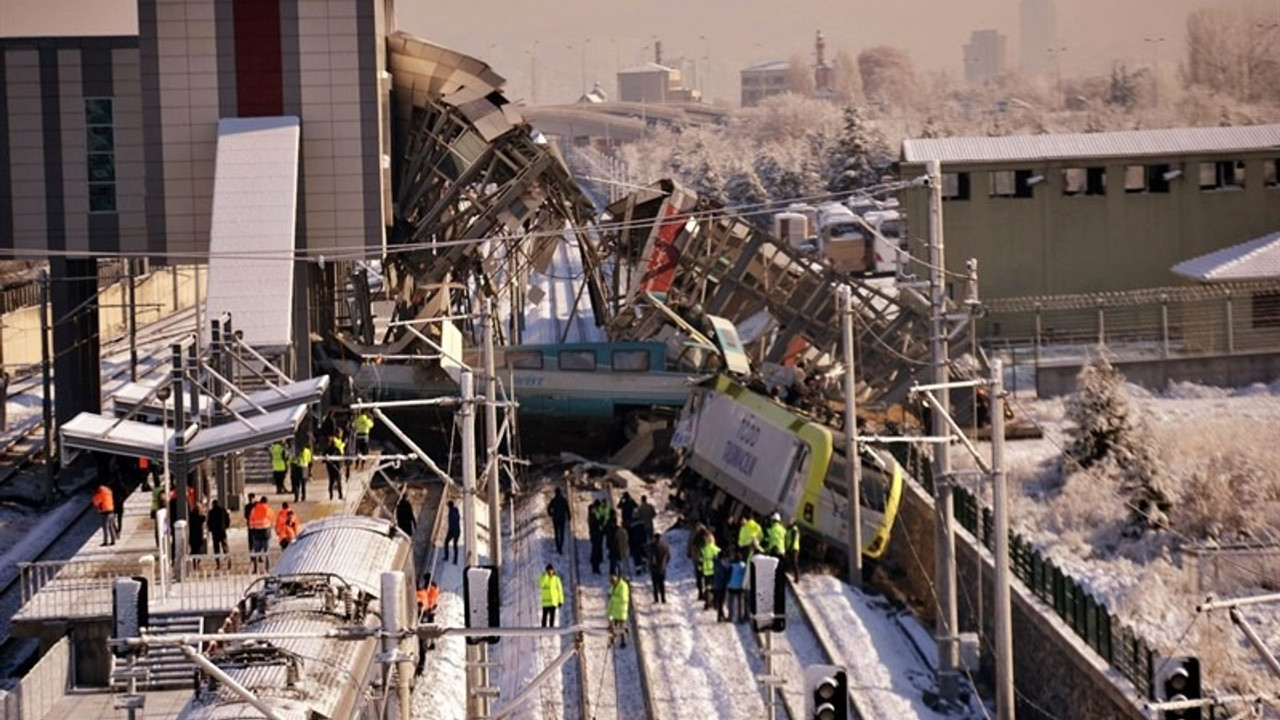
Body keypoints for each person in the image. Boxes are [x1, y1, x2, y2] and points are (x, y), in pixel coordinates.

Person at [416, 573, 440, 674]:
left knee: (424, 638)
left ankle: (422, 663)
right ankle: (432, 643)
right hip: (430, 610)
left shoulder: (424, 592)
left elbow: (425, 601)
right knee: (429, 631)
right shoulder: (435, 587)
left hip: (427, 612)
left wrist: (426, 607)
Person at [248, 497, 275, 572]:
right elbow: (272, 517)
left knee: (256, 552)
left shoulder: (254, 509)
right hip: (266, 531)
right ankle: (267, 568)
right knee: (266, 552)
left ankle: (255, 569)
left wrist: (252, 528)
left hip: (256, 532)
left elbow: (251, 520)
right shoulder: (267, 509)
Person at [607, 573, 630, 648]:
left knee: (621, 627)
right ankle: (612, 639)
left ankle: (623, 642)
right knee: (613, 626)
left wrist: (613, 597)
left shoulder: (623, 586)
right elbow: (611, 591)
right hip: (614, 610)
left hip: (620, 610)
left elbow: (623, 598)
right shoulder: (615, 585)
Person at [699, 532, 720, 610]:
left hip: (706, 571)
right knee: (715, 587)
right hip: (715, 571)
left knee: (707, 587)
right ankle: (715, 603)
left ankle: (707, 603)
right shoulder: (716, 549)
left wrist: (700, 568)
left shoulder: (703, 550)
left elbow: (700, 560)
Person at [649, 531, 671, 604]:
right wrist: (665, 563)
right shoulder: (665, 545)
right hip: (662, 567)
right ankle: (663, 598)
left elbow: (650, 556)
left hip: (654, 568)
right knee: (662, 583)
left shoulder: (652, 546)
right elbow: (668, 556)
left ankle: (656, 599)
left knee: (655, 584)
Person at [539, 564, 564, 628]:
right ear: (546, 571)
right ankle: (543, 629)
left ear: (553, 570)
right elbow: (541, 584)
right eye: (548, 570)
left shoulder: (556, 579)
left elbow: (560, 590)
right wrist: (546, 577)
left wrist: (560, 600)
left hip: (553, 602)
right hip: (545, 602)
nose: (550, 572)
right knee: (544, 617)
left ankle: (551, 630)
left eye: (551, 570)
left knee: (552, 617)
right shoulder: (543, 577)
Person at [726, 550, 748, 623]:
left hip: (732, 586)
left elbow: (728, 574)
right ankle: (740, 617)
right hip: (740, 586)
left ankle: (730, 617)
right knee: (740, 603)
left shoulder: (731, 565)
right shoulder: (743, 565)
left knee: (730, 602)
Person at [208, 499, 230, 567]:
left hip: (215, 533)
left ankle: (218, 563)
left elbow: (209, 522)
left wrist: (211, 529)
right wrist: (226, 526)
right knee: (225, 547)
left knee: (216, 549)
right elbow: (227, 519)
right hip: (222, 531)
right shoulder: (222, 510)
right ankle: (228, 560)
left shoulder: (211, 512)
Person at [547, 487, 570, 555]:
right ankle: (560, 546)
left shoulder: (553, 500)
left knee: (556, 534)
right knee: (562, 533)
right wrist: (569, 516)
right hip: (562, 518)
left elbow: (548, 508)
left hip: (555, 519)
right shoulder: (563, 500)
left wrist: (551, 514)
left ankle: (558, 547)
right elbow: (567, 508)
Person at [325, 430, 346, 500]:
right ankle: (340, 495)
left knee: (331, 481)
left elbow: (324, 457)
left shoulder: (327, 449)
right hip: (337, 467)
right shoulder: (337, 449)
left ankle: (331, 495)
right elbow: (341, 456)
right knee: (338, 481)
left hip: (330, 467)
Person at [587, 499, 605, 574]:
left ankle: (595, 565)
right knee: (597, 549)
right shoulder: (596, 514)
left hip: (594, 534)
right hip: (598, 534)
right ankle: (596, 566)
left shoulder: (591, 513)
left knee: (595, 549)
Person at [188, 501, 207, 568]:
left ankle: (194, 563)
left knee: (193, 550)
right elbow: (204, 518)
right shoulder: (200, 516)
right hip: (199, 536)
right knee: (199, 550)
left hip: (192, 536)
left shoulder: (191, 516)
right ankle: (198, 562)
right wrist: (203, 511)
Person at [444, 500, 461, 564]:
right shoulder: (455, 511)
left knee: (446, 542)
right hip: (457, 531)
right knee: (455, 545)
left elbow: (452, 523)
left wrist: (450, 531)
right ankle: (455, 560)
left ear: (449, 506)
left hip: (453, 531)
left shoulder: (452, 513)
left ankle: (447, 557)